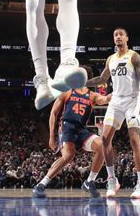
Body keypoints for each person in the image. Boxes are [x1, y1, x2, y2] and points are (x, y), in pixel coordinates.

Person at [85, 28, 140, 198]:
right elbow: (101, 79)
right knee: (105, 138)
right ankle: (112, 180)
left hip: (133, 99)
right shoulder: (110, 59)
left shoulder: (134, 56)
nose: (118, 37)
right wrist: (83, 83)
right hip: (116, 100)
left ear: (127, 38)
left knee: (134, 139)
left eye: (121, 34)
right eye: (115, 35)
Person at [32, 66, 112, 198]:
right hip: (67, 127)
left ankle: (89, 181)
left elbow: (104, 99)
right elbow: (53, 113)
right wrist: (51, 136)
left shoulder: (92, 96)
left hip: (81, 129)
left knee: (102, 147)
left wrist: (115, 95)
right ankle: (41, 184)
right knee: (68, 156)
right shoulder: (67, 91)